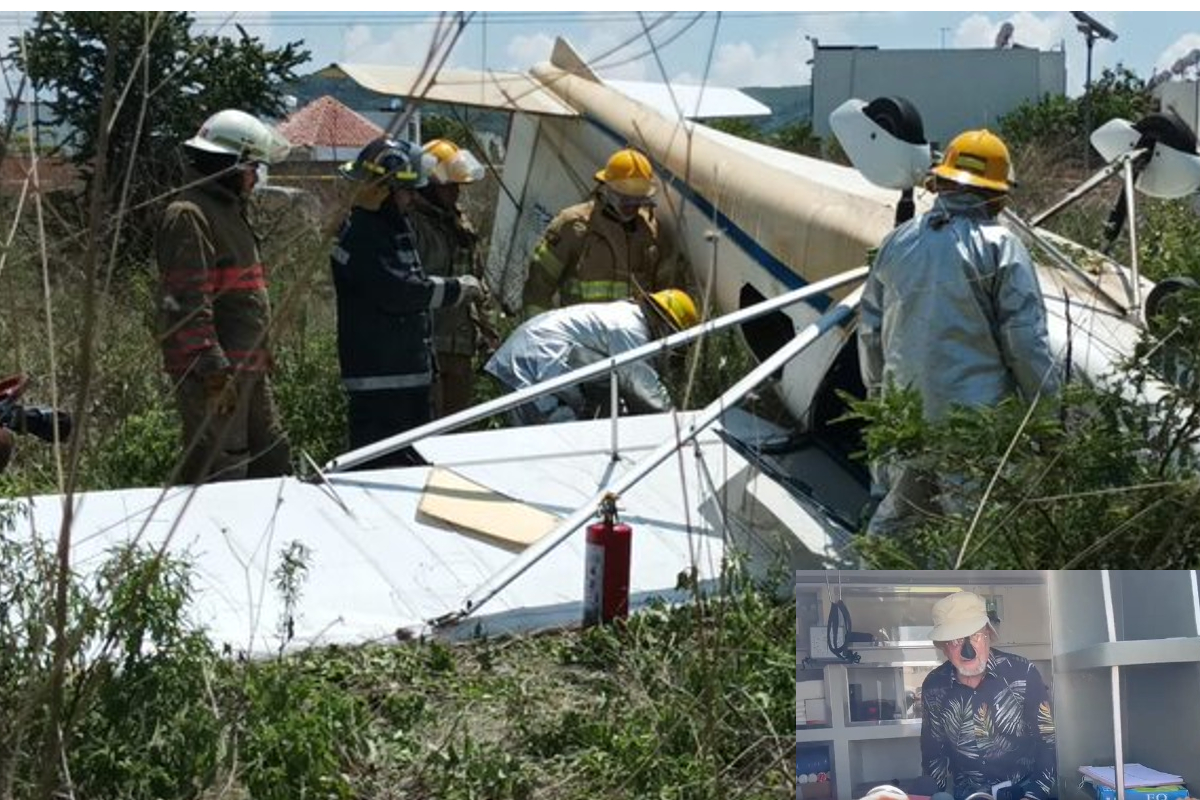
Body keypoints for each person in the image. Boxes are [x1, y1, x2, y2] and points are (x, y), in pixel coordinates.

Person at [857, 128, 1060, 534]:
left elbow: (870, 335)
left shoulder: (896, 242)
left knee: (896, 528)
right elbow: (1026, 344)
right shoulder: (1002, 246)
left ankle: (868, 596)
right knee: (978, 539)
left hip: (906, 419)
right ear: (997, 193)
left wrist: (881, 405)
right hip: (973, 429)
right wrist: (1048, 420)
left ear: (941, 181)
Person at [156, 109, 293, 484]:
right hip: (216, 375)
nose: (255, 178)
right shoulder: (190, 213)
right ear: (232, 166)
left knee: (271, 458)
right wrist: (214, 372)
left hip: (245, 370)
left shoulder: (227, 211)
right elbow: (187, 303)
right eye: (253, 168)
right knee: (223, 471)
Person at [330, 136, 485, 467]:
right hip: (382, 379)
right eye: (407, 190)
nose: (412, 197)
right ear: (385, 190)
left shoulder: (389, 226)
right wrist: (457, 289)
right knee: (382, 472)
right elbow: (401, 291)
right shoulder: (365, 233)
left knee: (414, 465)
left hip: (406, 374)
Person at [485, 288, 699, 426]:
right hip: (536, 363)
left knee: (531, 446)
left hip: (529, 356)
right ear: (667, 329)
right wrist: (676, 423)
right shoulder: (631, 329)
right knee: (559, 446)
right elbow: (641, 384)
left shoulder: (626, 316)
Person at [920, 591, 1056, 800]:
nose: (968, 650)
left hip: (1025, 790)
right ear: (944, 648)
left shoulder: (1023, 673)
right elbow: (933, 754)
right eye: (956, 640)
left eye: (975, 636)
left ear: (989, 636)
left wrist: (1034, 795)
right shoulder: (933, 686)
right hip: (968, 795)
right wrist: (934, 795)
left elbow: (1048, 742)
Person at [522, 147, 679, 319]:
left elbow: (667, 296)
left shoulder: (653, 233)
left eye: (637, 198)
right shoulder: (573, 225)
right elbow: (538, 287)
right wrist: (544, 336)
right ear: (606, 188)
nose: (631, 205)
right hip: (580, 337)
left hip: (632, 340)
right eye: (624, 197)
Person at [411, 139, 491, 417]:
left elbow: (477, 281)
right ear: (428, 184)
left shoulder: (459, 222)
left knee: (456, 433)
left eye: (458, 185)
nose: (456, 192)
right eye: (449, 186)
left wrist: (486, 334)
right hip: (425, 348)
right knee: (427, 430)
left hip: (460, 348)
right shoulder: (411, 224)